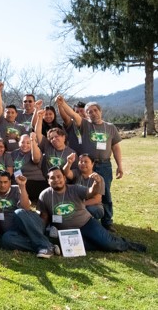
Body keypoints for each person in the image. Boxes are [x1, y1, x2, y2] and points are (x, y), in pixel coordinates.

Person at [37, 167, 146, 252]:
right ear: (48, 181)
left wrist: (96, 183)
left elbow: (91, 192)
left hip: (86, 224)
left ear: (64, 178)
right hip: (65, 232)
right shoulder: (44, 195)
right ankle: (93, 242)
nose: (56, 180)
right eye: (52, 178)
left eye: (59, 176)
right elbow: (44, 216)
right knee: (68, 246)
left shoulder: (75, 189)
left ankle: (127, 244)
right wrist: (40, 231)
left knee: (108, 244)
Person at [56, 95, 122, 232]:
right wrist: (63, 103)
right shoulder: (85, 125)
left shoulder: (110, 127)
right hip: (86, 165)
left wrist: (120, 165)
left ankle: (107, 222)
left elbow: (115, 147)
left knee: (106, 194)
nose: (93, 113)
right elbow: (74, 115)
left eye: (95, 110)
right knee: (82, 190)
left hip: (104, 165)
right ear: (87, 114)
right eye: (89, 111)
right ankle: (81, 217)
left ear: (100, 111)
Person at [63, 153, 105, 220]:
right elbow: (66, 173)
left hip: (91, 205)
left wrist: (81, 205)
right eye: (81, 161)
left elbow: (97, 199)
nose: (82, 163)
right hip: (76, 203)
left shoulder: (99, 178)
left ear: (92, 164)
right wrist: (69, 163)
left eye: (86, 162)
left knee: (94, 210)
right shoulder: (76, 173)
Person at [10, 133, 47, 202]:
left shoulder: (35, 151)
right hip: (19, 182)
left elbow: (36, 159)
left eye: (28, 143)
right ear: (18, 143)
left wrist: (32, 140)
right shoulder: (14, 153)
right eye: (22, 142)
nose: (25, 145)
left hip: (35, 182)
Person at [0, 171, 31, 237]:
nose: (2, 185)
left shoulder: (16, 189)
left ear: (10, 182)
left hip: (12, 219)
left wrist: (22, 186)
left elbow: (26, 209)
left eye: (5, 182)